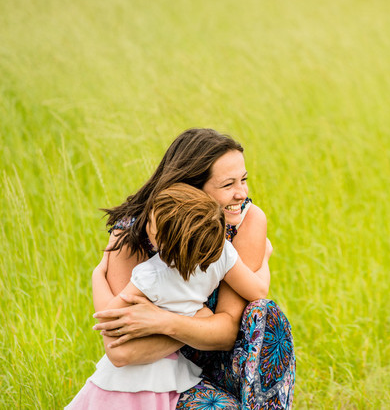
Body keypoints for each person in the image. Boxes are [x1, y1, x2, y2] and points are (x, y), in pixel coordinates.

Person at [89, 129, 294, 409]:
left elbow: (226, 332)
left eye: (243, 180)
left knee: (266, 314)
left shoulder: (245, 221)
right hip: (160, 376)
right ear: (189, 189)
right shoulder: (134, 235)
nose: (242, 193)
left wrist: (163, 321)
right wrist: (200, 320)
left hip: (224, 363)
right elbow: (121, 351)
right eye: (228, 185)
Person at [68, 183, 273, 408]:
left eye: (151, 224)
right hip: (171, 370)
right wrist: (264, 257)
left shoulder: (152, 273)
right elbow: (259, 290)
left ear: (163, 243)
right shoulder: (223, 254)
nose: (146, 225)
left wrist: (97, 276)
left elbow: (110, 316)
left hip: (131, 375)